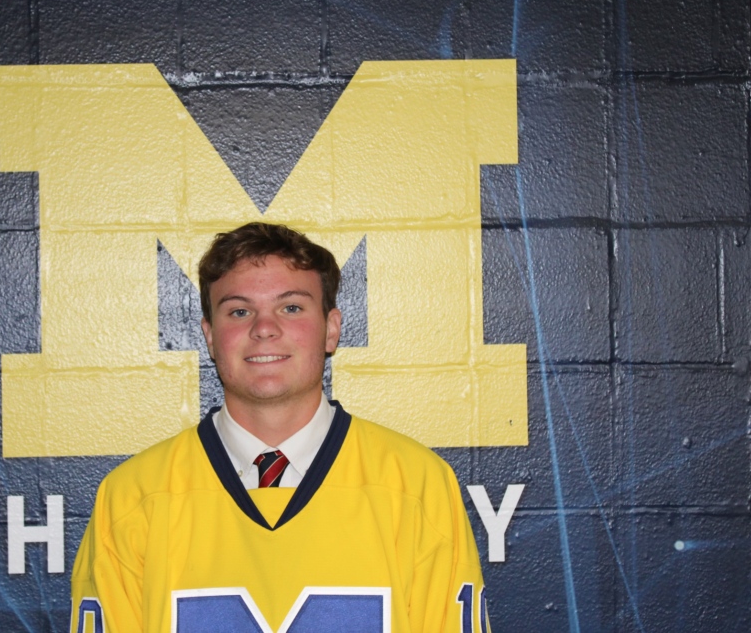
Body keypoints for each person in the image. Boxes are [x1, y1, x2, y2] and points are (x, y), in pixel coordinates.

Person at [70, 222, 491, 633]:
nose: (264, 328)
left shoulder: (418, 487)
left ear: (331, 329)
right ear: (210, 336)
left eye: (291, 307)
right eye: (239, 310)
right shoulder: (132, 499)